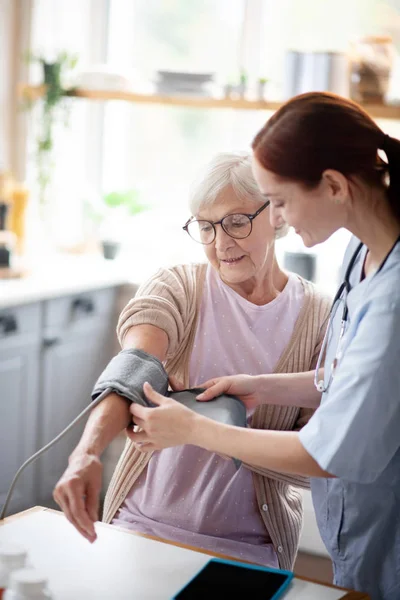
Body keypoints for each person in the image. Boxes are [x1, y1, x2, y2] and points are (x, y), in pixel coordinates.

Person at [129, 93, 400, 600]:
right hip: (355, 528)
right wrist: (262, 386)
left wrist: (194, 429)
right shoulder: (361, 252)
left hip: (386, 529)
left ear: (334, 186)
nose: (277, 216)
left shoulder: (393, 302)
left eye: (278, 202)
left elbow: (327, 452)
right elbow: (349, 378)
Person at [53, 152, 330, 570]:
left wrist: (202, 431)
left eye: (237, 221)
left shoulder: (320, 315)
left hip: (251, 548)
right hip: (141, 525)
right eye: (205, 226)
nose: (221, 243)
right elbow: (136, 365)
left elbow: (317, 460)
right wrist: (86, 453)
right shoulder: (178, 286)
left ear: (276, 213)